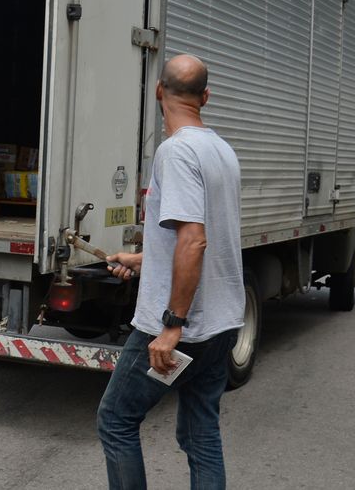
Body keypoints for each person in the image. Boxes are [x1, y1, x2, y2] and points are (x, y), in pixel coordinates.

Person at [97, 54, 244, 489]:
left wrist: (171, 326)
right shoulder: (221, 150)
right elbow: (200, 243)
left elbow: (193, 241)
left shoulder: (176, 152)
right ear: (206, 97)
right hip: (221, 325)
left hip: (185, 328)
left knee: (116, 420)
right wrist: (141, 261)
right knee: (200, 434)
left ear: (159, 91)